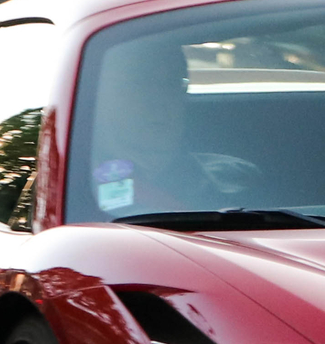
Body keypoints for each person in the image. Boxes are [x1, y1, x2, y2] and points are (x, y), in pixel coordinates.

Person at [82, 37, 261, 215]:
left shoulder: (237, 175)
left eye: (171, 84)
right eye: (139, 85)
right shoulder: (77, 187)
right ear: (102, 98)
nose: (160, 102)